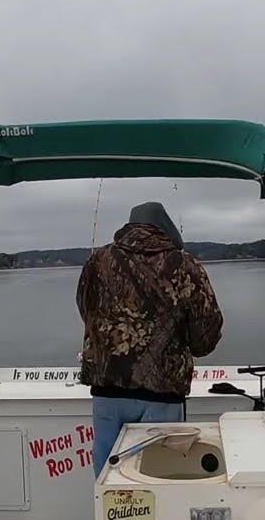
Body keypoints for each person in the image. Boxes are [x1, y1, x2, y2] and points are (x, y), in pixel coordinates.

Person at [77, 202, 223, 476]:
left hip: (107, 394)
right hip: (163, 396)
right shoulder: (184, 265)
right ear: (165, 227)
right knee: (160, 479)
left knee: (110, 480)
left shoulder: (96, 261)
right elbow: (205, 337)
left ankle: (113, 518)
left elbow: (85, 310)